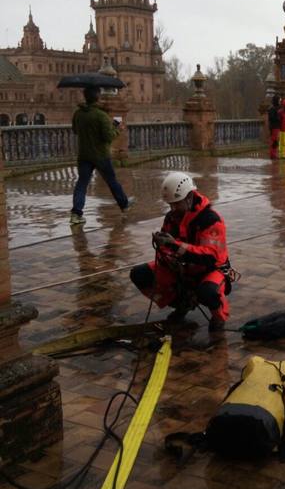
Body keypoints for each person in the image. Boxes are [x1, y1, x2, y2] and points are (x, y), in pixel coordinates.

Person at [129, 172, 231, 331]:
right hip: (182, 269)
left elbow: (210, 257)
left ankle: (218, 317)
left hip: (211, 270)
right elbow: (166, 248)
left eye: (176, 204)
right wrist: (166, 251)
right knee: (140, 274)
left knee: (208, 292)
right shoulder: (172, 217)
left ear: (189, 197)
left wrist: (176, 246)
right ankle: (183, 303)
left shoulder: (210, 219)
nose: (173, 209)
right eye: (170, 205)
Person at [70, 85, 133, 226]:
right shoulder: (101, 115)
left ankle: (76, 214)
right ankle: (124, 205)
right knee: (112, 181)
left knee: (82, 184)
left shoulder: (78, 114)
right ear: (97, 97)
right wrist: (118, 129)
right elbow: (108, 137)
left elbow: (75, 130)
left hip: (84, 155)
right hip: (101, 155)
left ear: (86, 97)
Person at [268, 94, 282, 159]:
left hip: (276, 127)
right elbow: (271, 118)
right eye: (279, 101)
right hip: (274, 127)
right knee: (274, 141)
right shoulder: (273, 109)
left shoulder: (276, 108)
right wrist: (279, 118)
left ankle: (274, 154)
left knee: (275, 141)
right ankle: (273, 155)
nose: (280, 102)